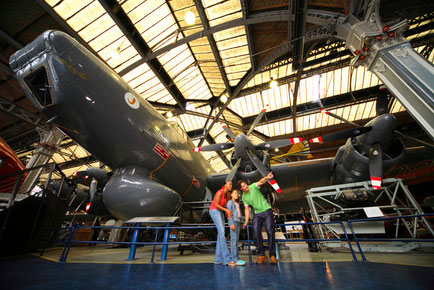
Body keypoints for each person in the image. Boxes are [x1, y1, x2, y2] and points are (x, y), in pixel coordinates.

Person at [239, 172, 277, 264]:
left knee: (270, 231)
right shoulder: (244, 197)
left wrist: (267, 177)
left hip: (267, 210)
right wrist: (246, 222)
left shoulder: (253, 186)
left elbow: (261, 181)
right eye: (243, 186)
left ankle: (272, 255)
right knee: (256, 232)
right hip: (257, 214)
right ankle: (261, 255)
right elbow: (247, 209)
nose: (245, 187)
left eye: (245, 184)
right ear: (241, 189)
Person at [209, 180, 235, 266]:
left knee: (221, 234)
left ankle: (217, 259)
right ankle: (226, 259)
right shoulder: (219, 192)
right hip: (214, 210)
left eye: (231, 184)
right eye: (229, 184)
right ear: (225, 185)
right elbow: (216, 204)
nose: (231, 185)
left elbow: (226, 205)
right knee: (222, 233)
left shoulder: (227, 194)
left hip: (220, 211)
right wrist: (226, 210)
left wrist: (228, 213)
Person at [226, 189, 246, 266]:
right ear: (231, 195)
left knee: (236, 240)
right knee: (234, 241)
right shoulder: (230, 203)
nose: (236, 194)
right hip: (233, 222)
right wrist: (231, 223)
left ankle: (236, 257)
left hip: (237, 222)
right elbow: (229, 214)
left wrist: (241, 222)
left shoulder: (237, 203)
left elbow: (239, 214)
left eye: (237, 193)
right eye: (235, 193)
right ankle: (234, 259)